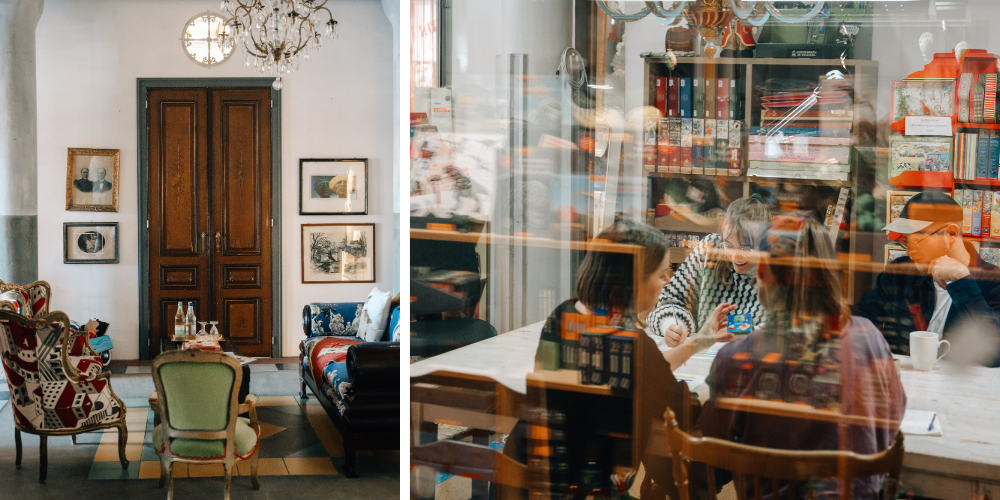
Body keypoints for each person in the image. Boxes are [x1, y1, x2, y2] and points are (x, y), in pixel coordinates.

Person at [699, 217, 906, 500]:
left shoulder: (734, 358)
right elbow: (892, 418)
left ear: (763, 276)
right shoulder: (868, 339)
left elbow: (716, 446)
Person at [537, 220, 735, 372]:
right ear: (634, 281)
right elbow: (673, 398)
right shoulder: (631, 341)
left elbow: (653, 369)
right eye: (661, 274)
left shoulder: (561, 314)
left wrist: (697, 342)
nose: (667, 281)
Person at [852, 191, 1000, 367]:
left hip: (962, 385)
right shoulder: (900, 271)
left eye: (915, 242)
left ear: (951, 234)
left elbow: (995, 355)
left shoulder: (993, 281)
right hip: (905, 380)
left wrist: (963, 283)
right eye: (905, 241)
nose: (908, 251)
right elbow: (862, 318)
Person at [647, 194, 772, 353]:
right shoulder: (709, 249)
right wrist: (672, 326)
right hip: (700, 359)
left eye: (746, 248)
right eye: (729, 245)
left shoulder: (776, 269)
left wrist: (744, 334)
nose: (735, 256)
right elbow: (668, 302)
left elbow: (782, 329)